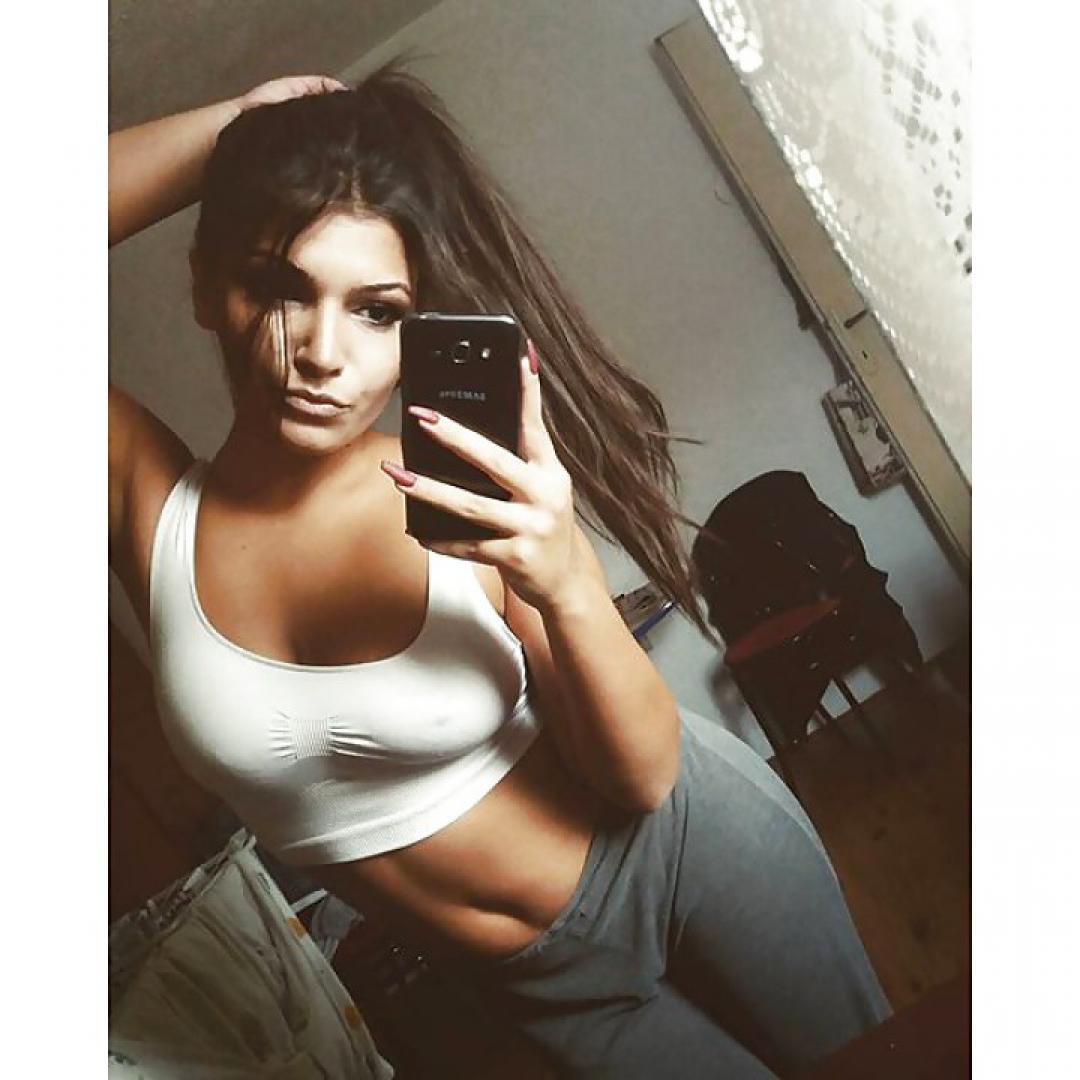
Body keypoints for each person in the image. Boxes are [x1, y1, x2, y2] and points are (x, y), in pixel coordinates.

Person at [108, 62, 890, 1077]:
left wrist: (563, 579)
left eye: (378, 310)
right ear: (208, 287)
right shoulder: (148, 510)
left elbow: (643, 778)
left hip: (689, 852)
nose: (325, 353)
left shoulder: (465, 493)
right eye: (281, 287)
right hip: (545, 990)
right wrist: (241, 125)